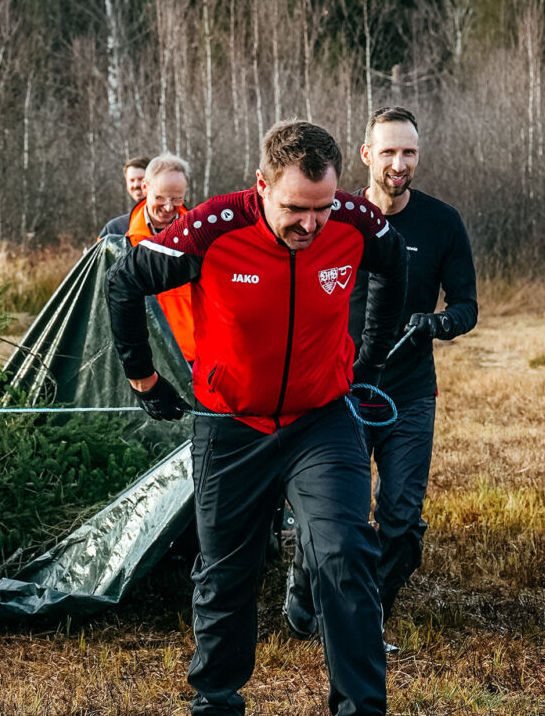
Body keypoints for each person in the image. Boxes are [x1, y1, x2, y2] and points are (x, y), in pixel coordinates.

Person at [108, 120, 409, 715]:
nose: (311, 224)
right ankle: (216, 703)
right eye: (296, 208)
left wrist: (370, 360)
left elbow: (395, 267)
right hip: (231, 426)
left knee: (347, 554)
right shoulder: (212, 228)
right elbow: (123, 282)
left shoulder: (353, 219)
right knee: (226, 574)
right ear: (262, 185)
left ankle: (361, 709)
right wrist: (143, 379)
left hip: (320, 420)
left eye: (321, 209)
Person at [282, 107, 478, 654]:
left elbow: (467, 305)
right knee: (331, 517)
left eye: (408, 152)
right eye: (388, 151)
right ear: (366, 155)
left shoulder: (443, 223)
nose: (399, 162)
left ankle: (370, 617)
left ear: (418, 157)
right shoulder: (329, 216)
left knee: (401, 524)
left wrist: (438, 323)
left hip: (410, 394)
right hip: (337, 391)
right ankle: (304, 593)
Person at [124, 154, 196, 362]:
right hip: (143, 357)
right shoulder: (119, 233)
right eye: (160, 198)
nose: (168, 207)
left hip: (190, 357)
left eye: (176, 199)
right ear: (145, 188)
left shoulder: (200, 235)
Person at [97, 156, 150, 239]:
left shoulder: (171, 223)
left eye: (141, 179)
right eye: (132, 180)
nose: (136, 185)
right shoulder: (114, 229)